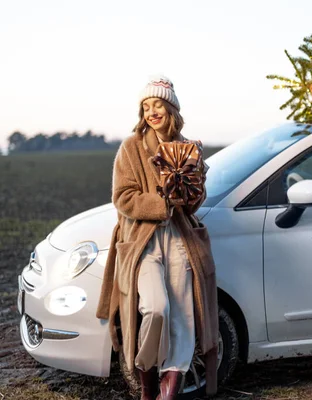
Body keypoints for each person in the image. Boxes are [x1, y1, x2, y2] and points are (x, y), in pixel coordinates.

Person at [96, 75, 219, 400]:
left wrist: (191, 188)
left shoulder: (187, 147)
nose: (152, 112)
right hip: (144, 241)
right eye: (146, 106)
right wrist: (161, 203)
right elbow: (122, 197)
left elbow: (195, 201)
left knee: (183, 315)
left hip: (179, 239)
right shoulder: (131, 148)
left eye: (157, 105)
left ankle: (169, 388)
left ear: (171, 108)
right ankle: (147, 380)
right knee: (156, 308)